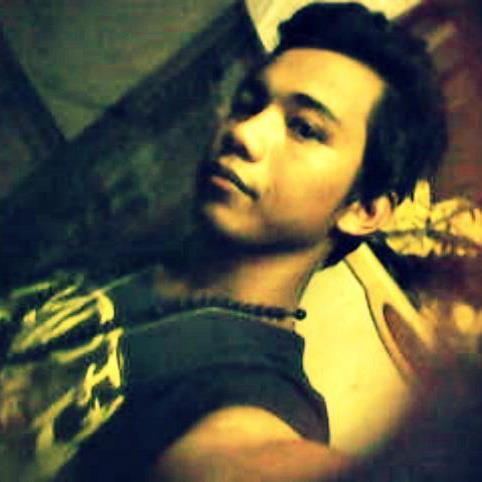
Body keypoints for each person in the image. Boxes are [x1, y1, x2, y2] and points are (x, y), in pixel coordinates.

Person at [0, 3, 447, 481]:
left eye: (304, 129)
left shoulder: (251, 398)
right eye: (250, 103)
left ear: (365, 210)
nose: (244, 132)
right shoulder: (144, 243)